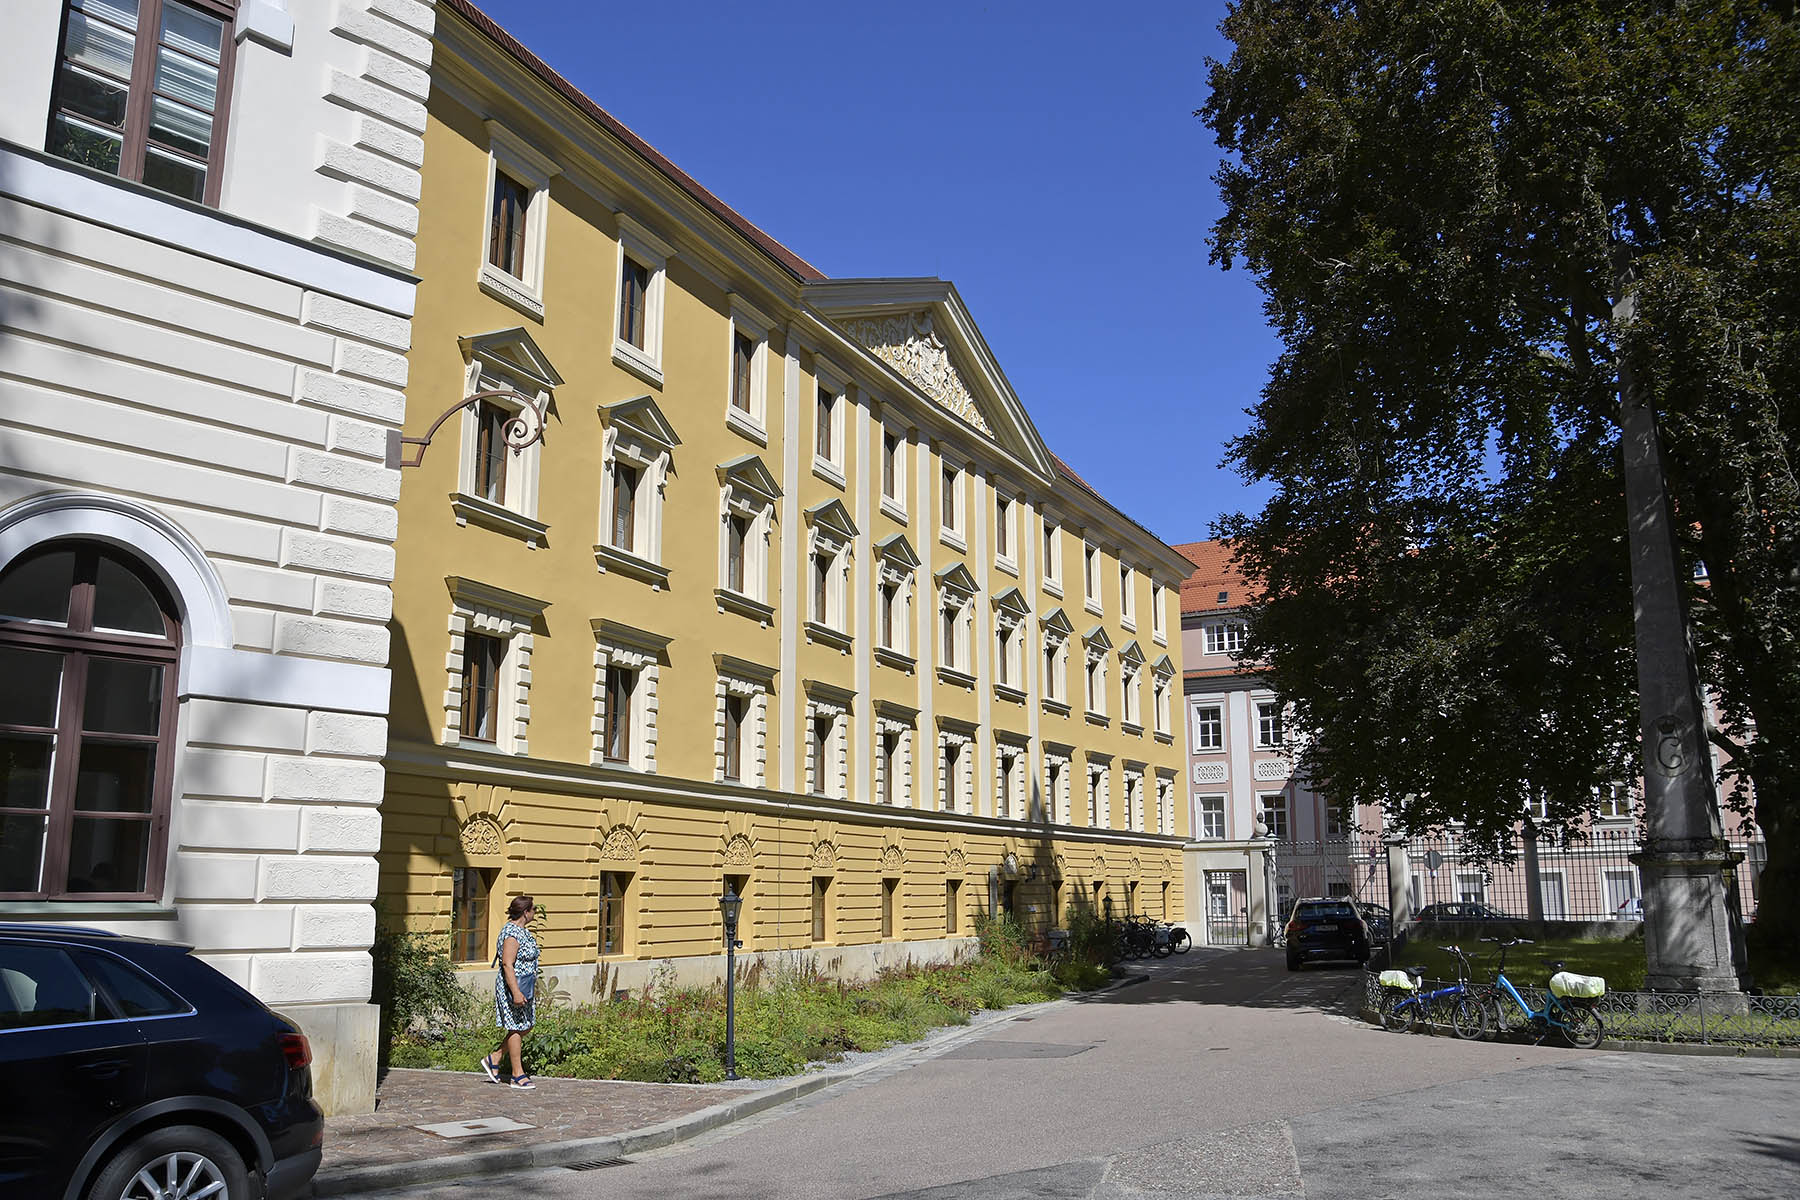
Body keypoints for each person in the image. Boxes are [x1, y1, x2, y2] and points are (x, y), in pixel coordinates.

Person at [480, 895, 539, 1089]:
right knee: (516, 1027)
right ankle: (517, 1075)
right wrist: (515, 991)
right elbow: (507, 964)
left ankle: (495, 1057)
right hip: (513, 986)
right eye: (533, 909)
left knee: (526, 1026)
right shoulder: (512, 933)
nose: (535, 913)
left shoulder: (522, 931)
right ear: (525, 912)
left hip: (525, 985)